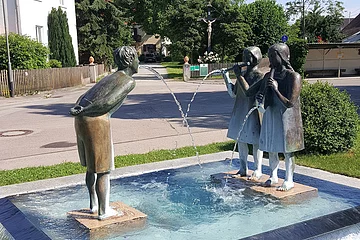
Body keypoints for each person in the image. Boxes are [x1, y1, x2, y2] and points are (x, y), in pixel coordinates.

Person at [70, 46, 139, 220]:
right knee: (103, 169)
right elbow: (108, 102)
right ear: (130, 61)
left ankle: (93, 204)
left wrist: (80, 109)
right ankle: (103, 211)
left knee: (91, 168)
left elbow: (84, 95)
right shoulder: (128, 81)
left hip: (82, 120)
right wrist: (86, 109)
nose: (139, 62)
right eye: (137, 58)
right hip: (96, 121)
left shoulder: (111, 76)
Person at [256, 43, 304, 191]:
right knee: (271, 146)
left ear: (282, 57)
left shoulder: (293, 76)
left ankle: (289, 179)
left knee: (287, 150)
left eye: (272, 55)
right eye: (269, 55)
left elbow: (290, 103)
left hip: (286, 118)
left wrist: (276, 89)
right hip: (272, 114)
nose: (270, 58)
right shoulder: (269, 75)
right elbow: (265, 96)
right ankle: (273, 175)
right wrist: (261, 98)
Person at [222, 46, 264, 179]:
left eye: (248, 56)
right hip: (240, 110)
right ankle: (243, 168)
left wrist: (239, 75)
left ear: (255, 58)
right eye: (244, 56)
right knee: (241, 140)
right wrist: (226, 77)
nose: (245, 59)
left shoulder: (259, 76)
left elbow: (248, 91)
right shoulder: (244, 75)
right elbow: (234, 93)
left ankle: (258, 169)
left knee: (256, 141)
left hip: (252, 112)